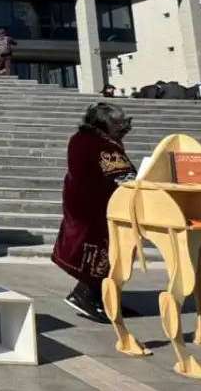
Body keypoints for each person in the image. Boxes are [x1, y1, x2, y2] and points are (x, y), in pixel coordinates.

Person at [52, 102, 135, 323]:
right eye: (118, 122)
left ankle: (104, 297)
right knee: (100, 252)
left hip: (89, 201)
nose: (123, 126)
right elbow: (120, 173)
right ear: (103, 122)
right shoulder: (97, 143)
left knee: (112, 252)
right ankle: (84, 294)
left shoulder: (89, 139)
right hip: (95, 205)